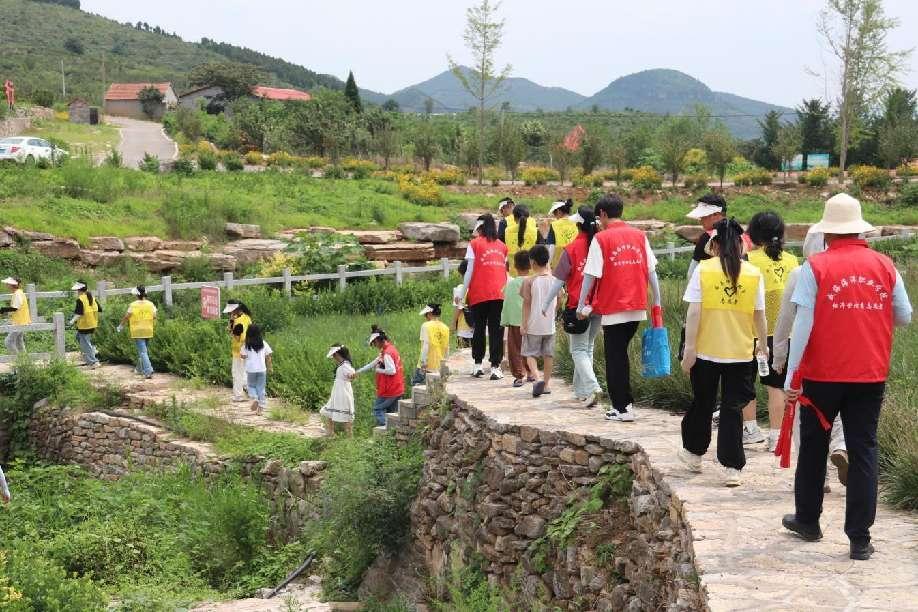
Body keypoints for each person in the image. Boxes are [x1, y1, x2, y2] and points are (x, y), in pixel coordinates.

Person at [781, 194, 912, 561]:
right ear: (860, 230)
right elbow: (904, 316)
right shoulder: (885, 265)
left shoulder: (815, 266)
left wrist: (792, 376)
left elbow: (803, 323)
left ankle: (808, 521)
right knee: (864, 448)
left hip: (821, 375)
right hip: (869, 373)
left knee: (814, 445)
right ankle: (860, 539)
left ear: (826, 233)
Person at [678, 218, 768, 487]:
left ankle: (694, 454)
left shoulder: (704, 269)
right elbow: (759, 315)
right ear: (740, 244)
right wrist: (763, 345)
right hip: (740, 352)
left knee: (703, 403)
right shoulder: (753, 273)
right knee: (732, 409)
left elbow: (694, 312)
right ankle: (732, 467)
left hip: (706, 351)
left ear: (714, 245)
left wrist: (689, 349)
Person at [577, 195, 662, 422]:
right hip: (637, 306)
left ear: (603, 214)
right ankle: (625, 403)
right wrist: (657, 300)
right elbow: (652, 271)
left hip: (614, 307)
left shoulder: (601, 238)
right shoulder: (639, 235)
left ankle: (622, 408)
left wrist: (581, 304)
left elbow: (590, 275)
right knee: (620, 355)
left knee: (615, 358)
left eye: (599, 218)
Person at [772, 228, 847, 486]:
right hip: (842, 352)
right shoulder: (845, 272)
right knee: (840, 407)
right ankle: (840, 445)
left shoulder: (800, 273)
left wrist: (779, 354)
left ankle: (817, 475)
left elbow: (785, 319)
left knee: (804, 413)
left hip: (806, 354)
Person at [745, 212, 799, 451]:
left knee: (745, 384)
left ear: (753, 234)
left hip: (753, 332)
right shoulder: (793, 260)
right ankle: (777, 436)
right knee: (776, 387)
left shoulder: (748, 259)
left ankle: (750, 430)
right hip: (785, 334)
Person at [543, 206, 602, 408]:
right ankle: (581, 391)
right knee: (588, 348)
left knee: (578, 350)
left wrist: (546, 303)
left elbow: (558, 281)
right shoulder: (600, 246)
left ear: (578, 224)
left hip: (578, 305)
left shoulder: (572, 249)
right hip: (598, 305)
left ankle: (593, 387)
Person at [463, 214, 508, 380]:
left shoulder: (474, 244)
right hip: (499, 292)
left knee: (479, 328)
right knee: (496, 329)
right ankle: (495, 367)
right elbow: (504, 270)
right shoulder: (503, 246)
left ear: (479, 228)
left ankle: (477, 365)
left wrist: (462, 292)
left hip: (479, 292)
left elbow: (469, 270)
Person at [521, 245, 557, 398]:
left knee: (530, 353)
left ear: (532, 262)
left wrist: (524, 324)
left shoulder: (529, 281)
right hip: (550, 325)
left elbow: (526, 305)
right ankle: (547, 385)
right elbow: (561, 298)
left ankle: (537, 378)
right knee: (548, 355)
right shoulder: (555, 280)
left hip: (533, 325)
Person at [352, 325, 405, 426]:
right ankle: (394, 430)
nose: (375, 345)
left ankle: (390, 429)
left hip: (389, 389)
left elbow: (392, 371)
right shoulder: (390, 349)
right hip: (397, 388)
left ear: (379, 340)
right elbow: (373, 363)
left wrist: (379, 370)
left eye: (375, 343)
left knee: (377, 410)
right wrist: (358, 371)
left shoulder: (387, 353)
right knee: (392, 414)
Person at [501, 251, 536, 387]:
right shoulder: (534, 281)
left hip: (515, 322)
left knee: (515, 349)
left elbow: (506, 303)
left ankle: (519, 376)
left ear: (515, 266)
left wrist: (505, 320)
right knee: (530, 349)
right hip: (531, 322)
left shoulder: (510, 284)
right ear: (531, 265)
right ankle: (531, 373)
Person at [117, 286, 157, 379]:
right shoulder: (151, 304)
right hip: (148, 329)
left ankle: (148, 371)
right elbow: (154, 316)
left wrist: (121, 326)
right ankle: (139, 369)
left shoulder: (133, 305)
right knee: (143, 351)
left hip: (137, 330)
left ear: (136, 295)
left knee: (143, 352)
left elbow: (127, 317)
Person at [320, 345, 355, 437]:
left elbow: (352, 375)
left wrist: (351, 376)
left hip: (343, 392)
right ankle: (330, 433)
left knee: (346, 414)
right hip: (337, 391)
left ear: (338, 354)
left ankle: (349, 437)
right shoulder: (342, 365)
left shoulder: (346, 365)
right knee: (329, 412)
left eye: (334, 355)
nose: (334, 357)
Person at [223, 300, 253, 402]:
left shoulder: (238, 322)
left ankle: (238, 396)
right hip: (248, 348)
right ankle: (252, 391)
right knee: (244, 372)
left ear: (236, 309)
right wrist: (231, 323)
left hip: (239, 350)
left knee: (237, 373)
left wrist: (231, 329)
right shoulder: (247, 317)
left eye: (231, 311)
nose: (229, 313)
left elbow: (238, 337)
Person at [240, 324, 272, 415]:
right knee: (261, 388)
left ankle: (254, 398)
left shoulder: (246, 344)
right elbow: (268, 355)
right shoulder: (263, 343)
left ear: (248, 333)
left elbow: (243, 356)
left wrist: (245, 355)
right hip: (262, 369)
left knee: (251, 386)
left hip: (251, 370)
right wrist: (270, 367)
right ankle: (260, 409)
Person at [414, 303, 450, 385]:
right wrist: (444, 365)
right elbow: (447, 347)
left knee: (417, 384)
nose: (425, 317)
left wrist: (423, 364)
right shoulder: (445, 328)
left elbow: (426, 345)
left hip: (426, 366)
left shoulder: (425, 326)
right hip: (439, 366)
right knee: (436, 388)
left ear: (430, 314)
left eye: (426, 315)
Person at [70, 280, 101, 368]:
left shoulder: (80, 299)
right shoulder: (92, 298)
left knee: (85, 344)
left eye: (77, 290)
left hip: (84, 325)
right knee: (79, 338)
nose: (77, 292)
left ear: (79, 290)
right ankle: (93, 350)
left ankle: (93, 362)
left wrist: (71, 321)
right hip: (92, 324)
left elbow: (79, 314)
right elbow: (99, 309)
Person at [506, 205, 540, 277]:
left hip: (513, 273)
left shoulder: (507, 231)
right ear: (528, 217)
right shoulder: (535, 231)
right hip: (530, 274)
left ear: (514, 218)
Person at [1, 277, 30, 356]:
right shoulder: (19, 292)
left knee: (8, 342)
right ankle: (24, 360)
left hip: (19, 322)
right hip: (22, 321)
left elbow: (15, 308)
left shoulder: (17, 294)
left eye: (8, 284)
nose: (7, 285)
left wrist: (3, 310)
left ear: (12, 285)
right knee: (19, 342)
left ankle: (18, 360)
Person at [546, 199, 579, 267]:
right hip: (575, 261)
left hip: (560, 263)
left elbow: (551, 247)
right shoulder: (576, 222)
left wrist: (547, 264)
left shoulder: (555, 225)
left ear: (558, 211)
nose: (554, 216)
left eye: (554, 213)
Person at [452, 260, 475, 349]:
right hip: (477, 328)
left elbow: (458, 308)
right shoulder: (478, 288)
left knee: (463, 354)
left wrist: (453, 323)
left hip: (464, 328)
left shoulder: (460, 289)